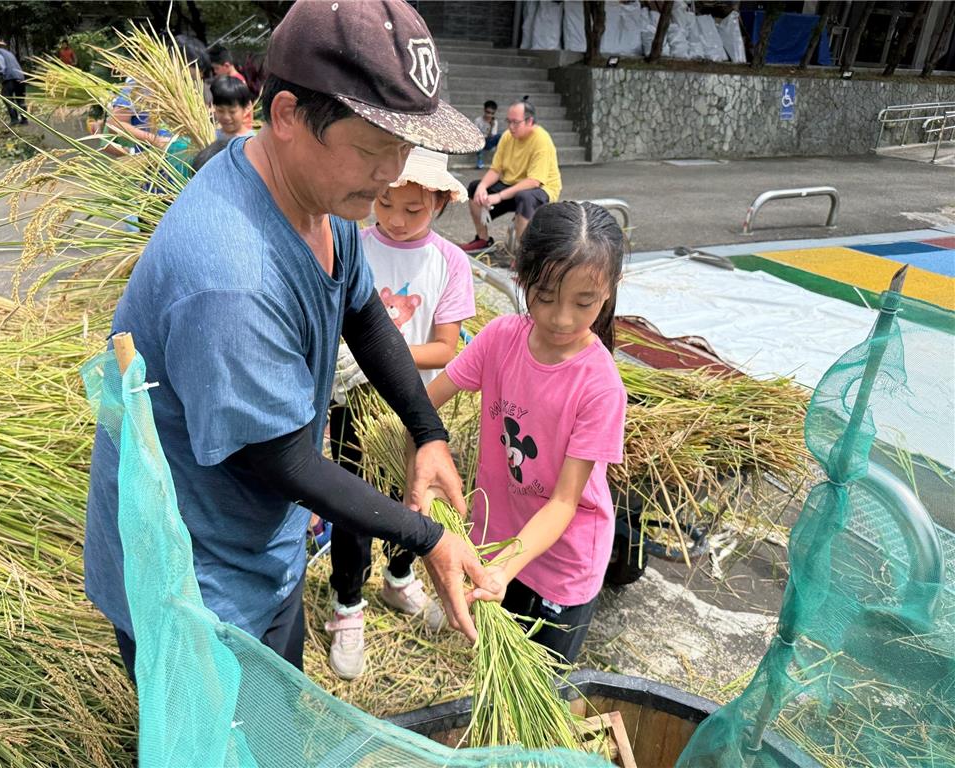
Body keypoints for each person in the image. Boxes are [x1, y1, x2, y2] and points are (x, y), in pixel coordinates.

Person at [84, 0, 491, 682]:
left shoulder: (316, 197)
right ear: (288, 117)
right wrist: (425, 536)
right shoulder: (230, 276)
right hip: (195, 579)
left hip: (259, 547)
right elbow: (278, 461)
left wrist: (427, 432)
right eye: (372, 149)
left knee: (278, 722)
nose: (392, 174)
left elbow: (362, 312)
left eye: (403, 149)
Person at [428, 201, 627, 663]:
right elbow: (428, 401)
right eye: (545, 295)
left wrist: (502, 568)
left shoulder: (599, 385)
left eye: (584, 303)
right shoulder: (500, 338)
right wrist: (417, 448)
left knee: (542, 684)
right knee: (493, 665)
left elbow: (563, 501)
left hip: (561, 566)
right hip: (494, 541)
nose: (561, 318)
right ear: (521, 276)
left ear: (609, 293)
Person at [326, 147, 476, 680]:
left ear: (438, 201)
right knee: (352, 505)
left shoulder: (449, 263)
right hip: (354, 407)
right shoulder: (353, 247)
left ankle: (397, 575)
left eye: (412, 210)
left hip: (417, 411)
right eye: (384, 203)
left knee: (413, 502)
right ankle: (347, 606)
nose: (394, 218)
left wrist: (375, 355)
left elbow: (444, 349)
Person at [460, 97, 562, 254]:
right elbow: (496, 170)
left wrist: (499, 196)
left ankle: (524, 255)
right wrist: (482, 186)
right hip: (511, 186)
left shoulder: (542, 140)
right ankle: (483, 239)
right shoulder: (507, 136)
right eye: (509, 121)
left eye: (516, 122)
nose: (511, 127)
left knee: (525, 197)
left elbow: (534, 182)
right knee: (474, 188)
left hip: (541, 189)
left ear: (530, 121)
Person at [0, 37, 27, 125]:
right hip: (20, 77)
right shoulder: (7, 52)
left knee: (7, 98)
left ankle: (14, 120)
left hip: (10, 77)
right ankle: (24, 119)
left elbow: (1, 64)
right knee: (20, 100)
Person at [211, 75, 254, 140]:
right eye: (220, 110)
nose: (226, 117)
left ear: (246, 108)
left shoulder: (251, 141)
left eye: (232, 111)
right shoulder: (212, 138)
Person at [474, 99, 500, 169]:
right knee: (479, 139)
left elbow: (493, 136)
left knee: (500, 136)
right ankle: (480, 161)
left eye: (492, 113)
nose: (489, 115)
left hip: (489, 142)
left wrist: (491, 126)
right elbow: (476, 135)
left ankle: (499, 161)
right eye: (488, 112)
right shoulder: (478, 120)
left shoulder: (494, 122)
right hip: (480, 142)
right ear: (484, 110)